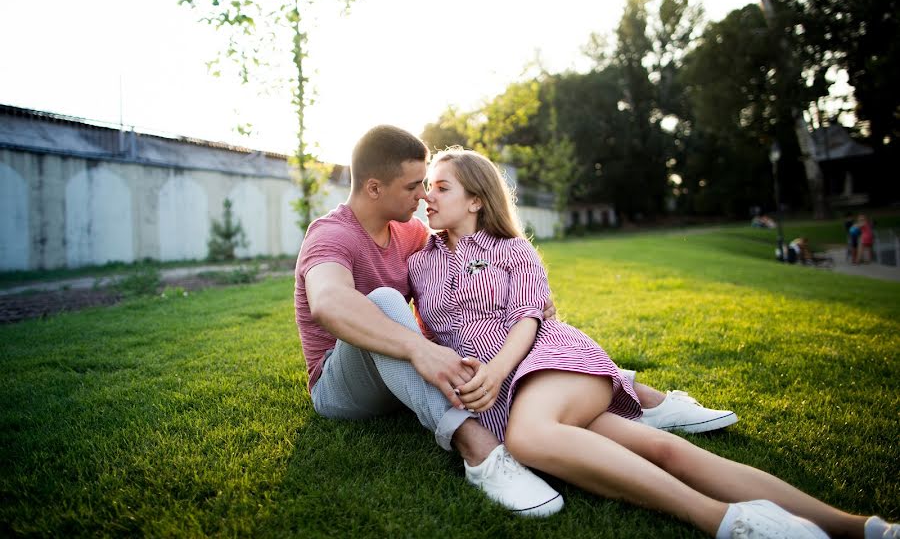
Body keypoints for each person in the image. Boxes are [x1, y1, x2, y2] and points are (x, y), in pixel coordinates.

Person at [408, 146, 898, 539]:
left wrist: (493, 372)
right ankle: (862, 528)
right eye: (426, 188)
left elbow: (529, 319)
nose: (427, 197)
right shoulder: (418, 261)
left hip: (547, 364)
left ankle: (722, 520)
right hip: (504, 398)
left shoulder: (513, 250)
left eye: (440, 187)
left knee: (530, 438)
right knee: (665, 453)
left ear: (475, 199)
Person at [294, 125, 736, 517]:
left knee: (500, 332)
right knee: (387, 301)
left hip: (400, 379)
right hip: (342, 385)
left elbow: (466, 271)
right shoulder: (332, 235)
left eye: (429, 185)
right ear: (374, 188)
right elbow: (330, 303)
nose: (423, 195)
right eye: (414, 186)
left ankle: (641, 398)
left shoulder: (411, 231)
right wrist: (419, 347)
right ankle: (480, 452)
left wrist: (530, 304)